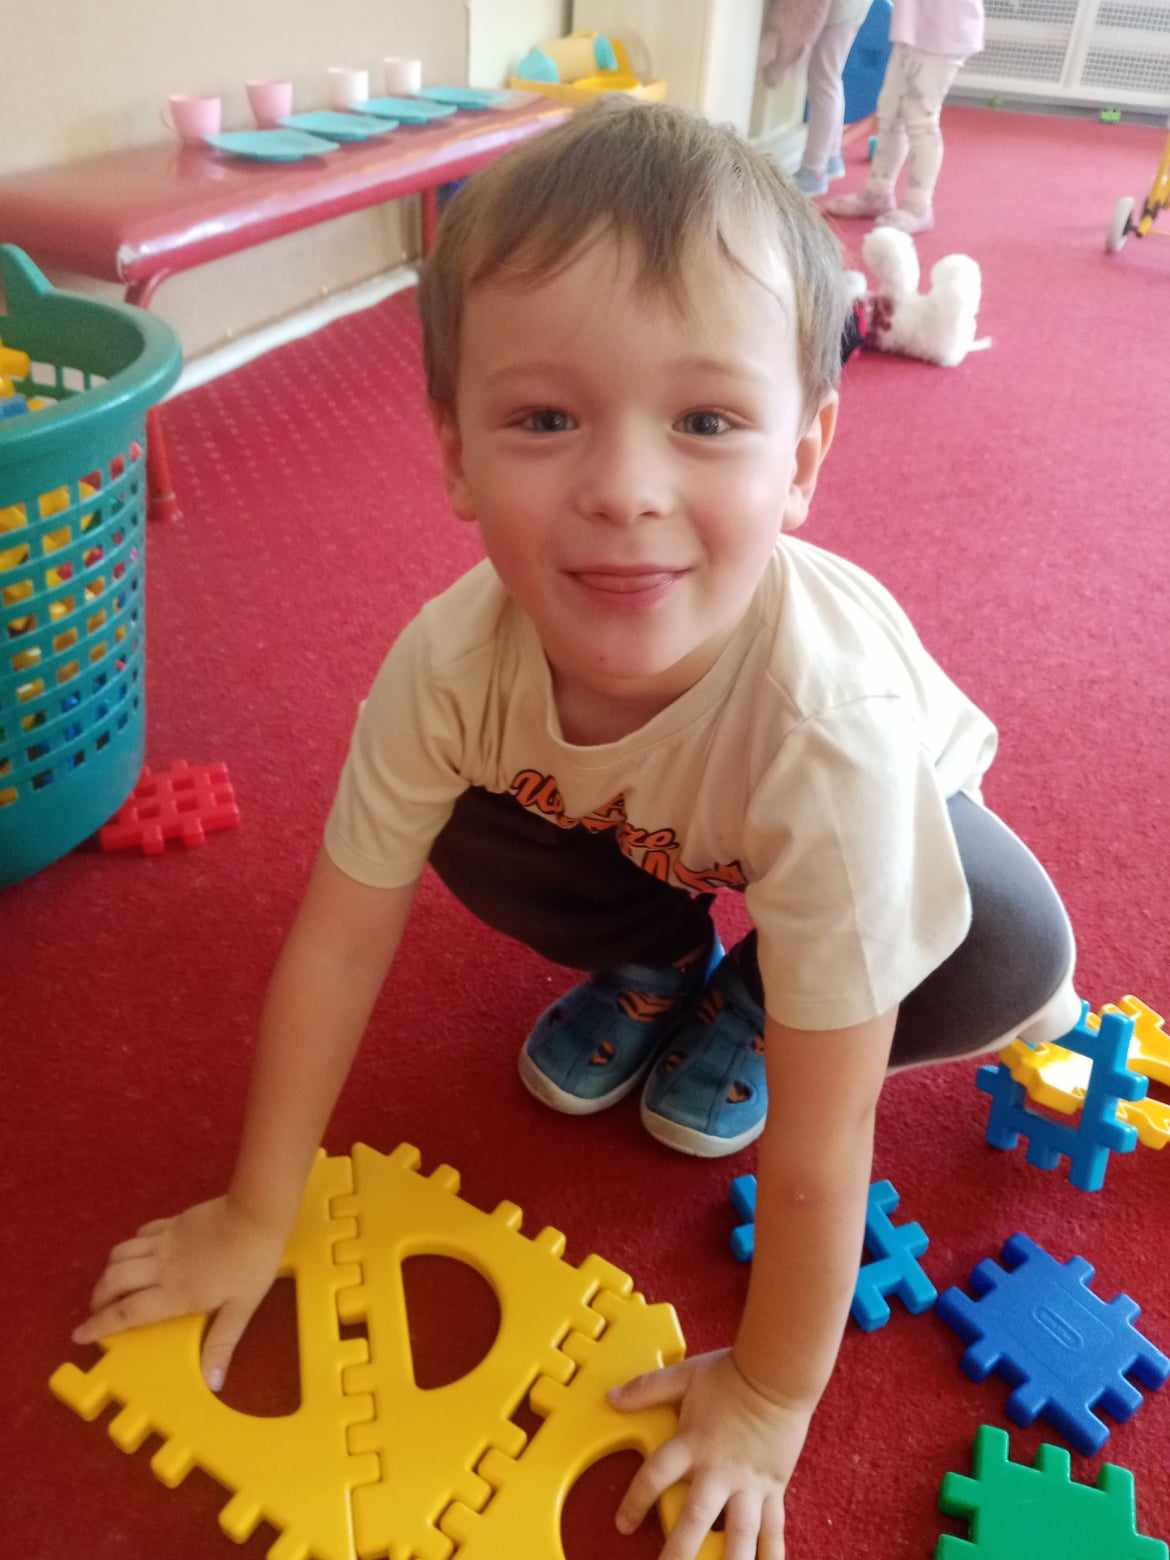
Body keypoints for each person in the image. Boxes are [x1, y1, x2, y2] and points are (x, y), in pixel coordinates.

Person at [73, 100, 1078, 1560]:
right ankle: (664, 966)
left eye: (706, 423)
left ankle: (760, 993)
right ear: (454, 452)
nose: (622, 491)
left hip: (874, 829)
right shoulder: (448, 665)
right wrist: (254, 1212)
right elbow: (338, 946)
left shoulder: (833, 735)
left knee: (1004, 948)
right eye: (545, 420)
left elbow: (825, 1137)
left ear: (802, 458)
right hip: (655, 829)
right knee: (458, 815)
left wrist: (771, 1393)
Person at [824, 0, 985, 233]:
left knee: (921, 119)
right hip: (912, 29)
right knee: (890, 112)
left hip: (942, 33)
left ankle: (917, 206)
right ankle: (878, 192)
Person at [760, 0, 872, 197]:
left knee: (824, 81)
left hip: (840, 11)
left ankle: (813, 170)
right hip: (851, 10)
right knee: (830, 77)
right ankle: (830, 157)